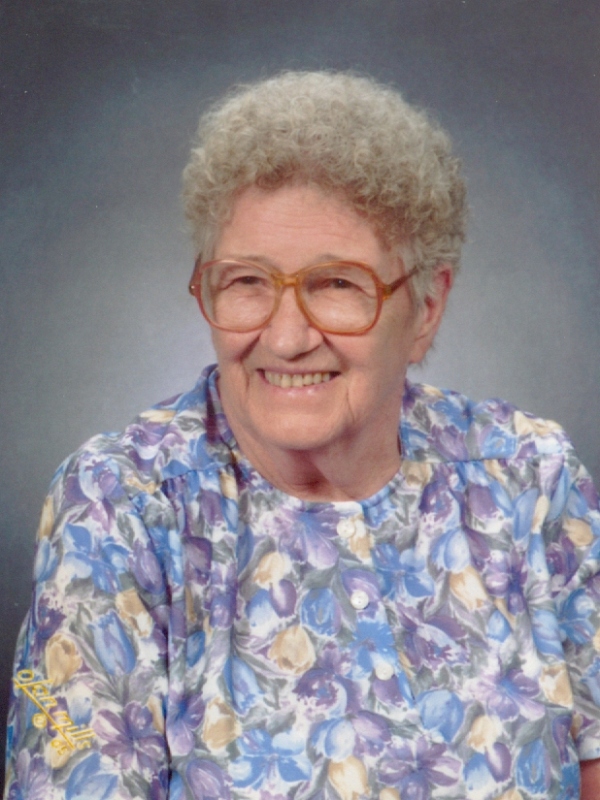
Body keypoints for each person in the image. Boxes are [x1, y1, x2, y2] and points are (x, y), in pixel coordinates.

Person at [4, 71, 600, 800]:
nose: (286, 338)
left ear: (427, 307)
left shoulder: (530, 476)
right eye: (247, 282)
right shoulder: (117, 506)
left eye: (337, 284)